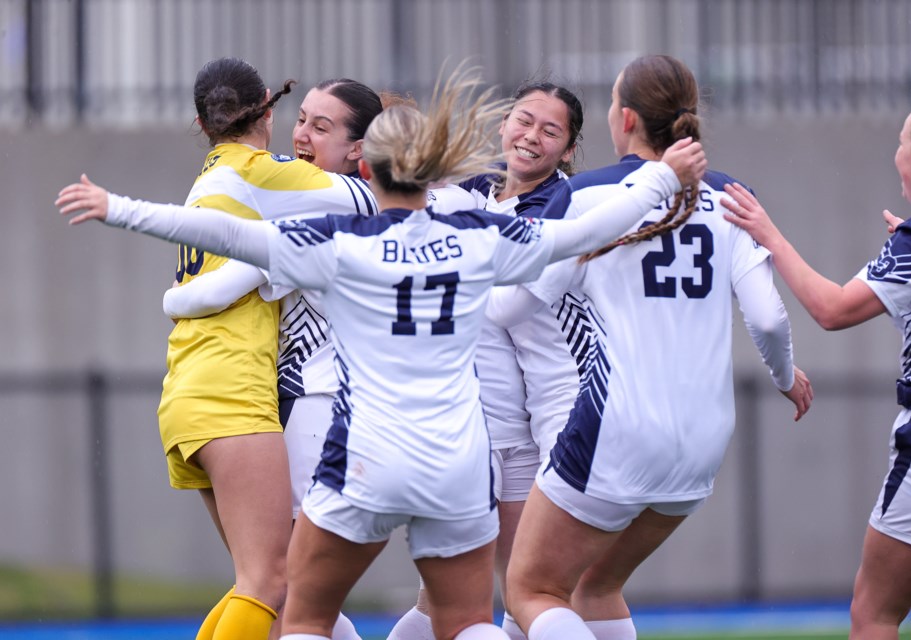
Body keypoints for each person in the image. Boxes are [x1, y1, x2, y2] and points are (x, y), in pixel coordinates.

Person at [57, 66, 707, 640]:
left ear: (365, 168)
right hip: (458, 467)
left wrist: (117, 207)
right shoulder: (480, 236)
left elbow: (220, 230)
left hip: (366, 465)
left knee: (304, 616)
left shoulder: (337, 243)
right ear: (430, 171)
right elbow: (582, 232)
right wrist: (660, 179)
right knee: (471, 624)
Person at [495, 54, 813, 640]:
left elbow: (512, 308)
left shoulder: (588, 196)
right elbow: (768, 319)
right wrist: (785, 376)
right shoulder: (732, 197)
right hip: (702, 441)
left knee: (531, 592)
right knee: (596, 588)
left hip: (617, 429)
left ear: (627, 119)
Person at [124, 57, 379, 640]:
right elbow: (370, 198)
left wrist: (175, 302)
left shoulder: (213, 176)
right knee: (271, 583)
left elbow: (217, 283)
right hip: (234, 392)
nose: (302, 136)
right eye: (302, 119)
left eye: (322, 125)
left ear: (200, 121)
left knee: (265, 583)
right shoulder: (264, 175)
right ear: (269, 102)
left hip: (190, 391)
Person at [721, 93, 911, 639]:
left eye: (902, 141)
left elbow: (830, 310)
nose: (896, 151)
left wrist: (767, 233)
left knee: (873, 613)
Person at [388, 81, 585, 640]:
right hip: (491, 420)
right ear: (502, 124)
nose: (531, 137)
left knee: (532, 591)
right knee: (517, 592)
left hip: (554, 413)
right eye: (524, 120)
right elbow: (420, 194)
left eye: (550, 131)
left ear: (569, 149)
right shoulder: (478, 193)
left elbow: (505, 306)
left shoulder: (559, 205)